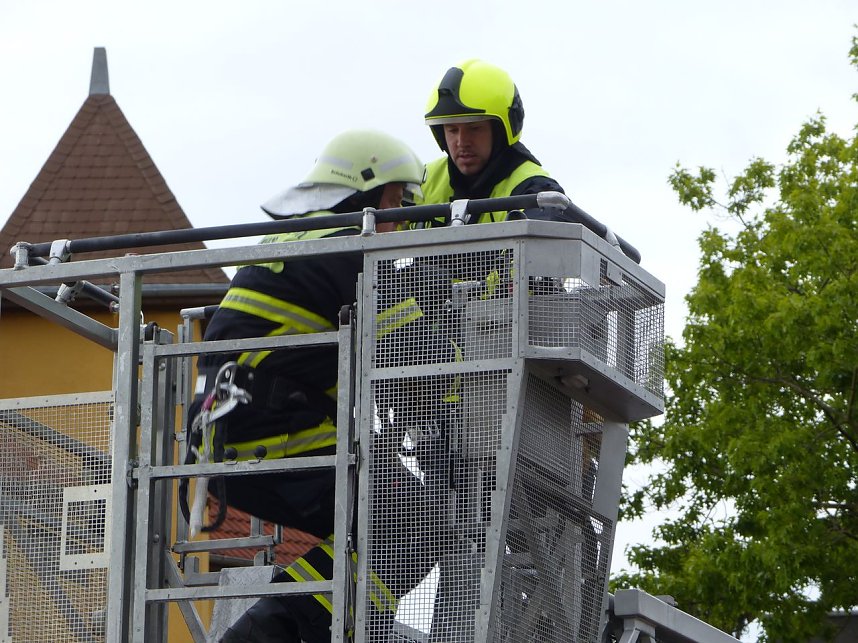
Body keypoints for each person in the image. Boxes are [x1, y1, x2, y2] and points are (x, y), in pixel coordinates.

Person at [188, 129, 441, 642]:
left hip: (233, 431)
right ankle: (278, 634)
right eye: (395, 203)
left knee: (388, 516)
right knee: (420, 516)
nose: (400, 222)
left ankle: (313, 624)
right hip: (271, 430)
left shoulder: (302, 241)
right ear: (364, 196)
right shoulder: (353, 252)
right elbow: (419, 361)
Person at [417, 58, 568, 225]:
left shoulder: (537, 192)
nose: (461, 141)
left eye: (474, 129)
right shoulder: (420, 183)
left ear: (500, 132)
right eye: (452, 130)